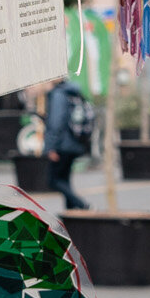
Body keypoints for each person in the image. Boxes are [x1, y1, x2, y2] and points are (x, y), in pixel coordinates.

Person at [44, 78, 94, 211]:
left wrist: (51, 147)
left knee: (54, 180)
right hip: (75, 142)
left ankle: (82, 205)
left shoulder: (58, 94)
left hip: (62, 145)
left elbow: (55, 122)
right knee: (65, 180)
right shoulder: (73, 92)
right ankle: (71, 214)